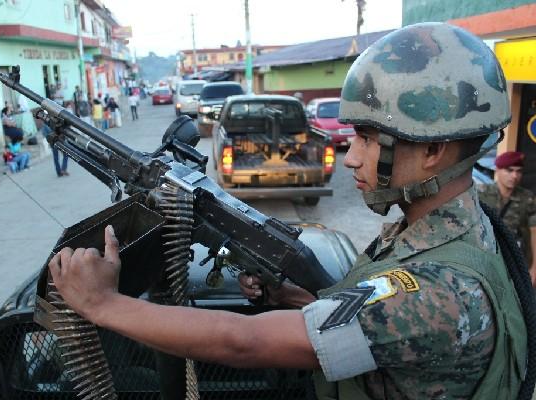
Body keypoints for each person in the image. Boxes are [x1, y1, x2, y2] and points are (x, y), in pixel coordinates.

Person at [49, 23, 529, 399]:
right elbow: (390, 334)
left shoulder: (434, 289)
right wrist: (300, 299)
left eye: (367, 138)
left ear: (433, 151)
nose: (351, 158)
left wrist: (102, 304)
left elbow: (244, 343)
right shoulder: (459, 228)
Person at [479, 151, 536, 286]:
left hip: (515, 261)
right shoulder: (481, 193)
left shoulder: (527, 198)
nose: (514, 176)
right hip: (485, 258)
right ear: (498, 170)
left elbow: (534, 231)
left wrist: (534, 267)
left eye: (519, 171)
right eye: (509, 170)